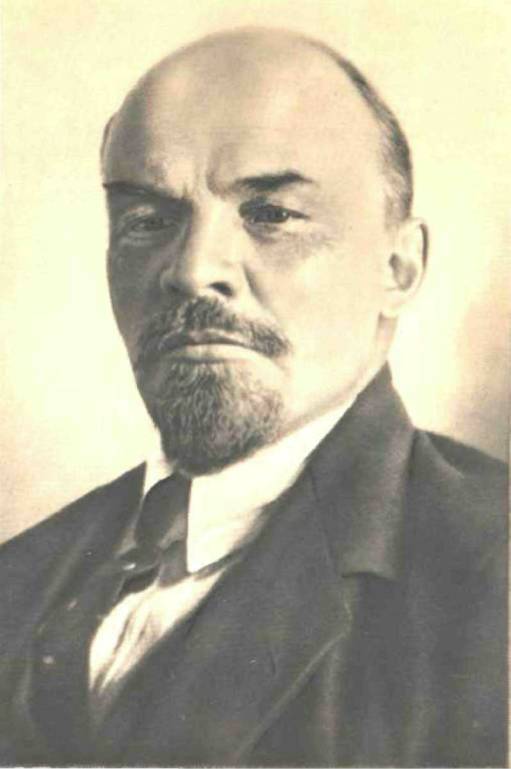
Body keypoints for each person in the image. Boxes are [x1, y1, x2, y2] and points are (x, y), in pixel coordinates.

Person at [0, 27, 507, 768]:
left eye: (270, 214)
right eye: (146, 220)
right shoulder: (21, 573)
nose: (192, 269)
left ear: (397, 267)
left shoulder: (489, 578)